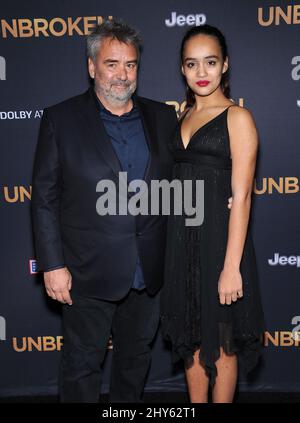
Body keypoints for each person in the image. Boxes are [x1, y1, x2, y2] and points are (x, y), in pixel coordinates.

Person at [31, 19, 178, 403]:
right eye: (112, 64)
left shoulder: (162, 116)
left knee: (135, 362)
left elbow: (179, 181)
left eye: (130, 64)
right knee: (81, 367)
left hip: (148, 273)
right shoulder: (60, 119)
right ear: (92, 67)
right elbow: (44, 197)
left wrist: (216, 197)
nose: (122, 74)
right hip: (85, 272)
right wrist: (52, 264)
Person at [160, 24, 265, 403]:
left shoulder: (238, 118)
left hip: (219, 243)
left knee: (221, 341)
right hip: (182, 242)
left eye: (210, 62)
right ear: (182, 69)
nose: (201, 73)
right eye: (192, 64)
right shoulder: (182, 116)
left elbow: (242, 197)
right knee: (190, 338)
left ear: (225, 66)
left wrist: (231, 266)